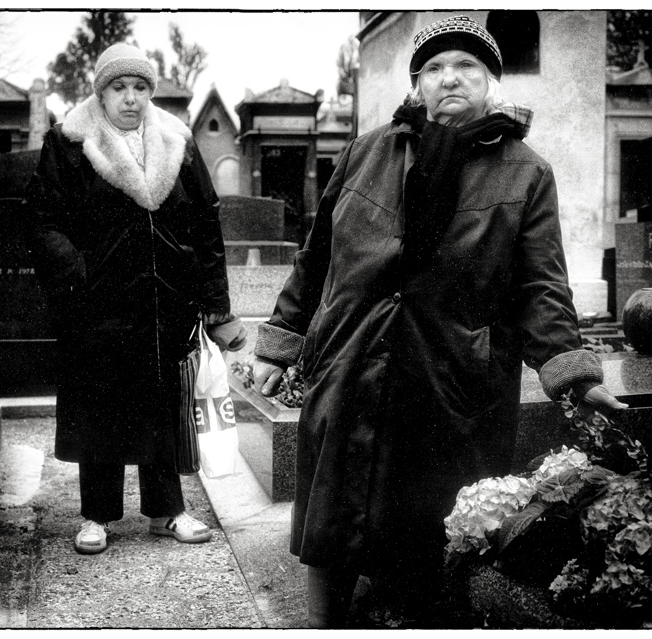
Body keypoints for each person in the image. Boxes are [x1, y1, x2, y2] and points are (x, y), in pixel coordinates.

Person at [252, 15, 628, 628]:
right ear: (417, 84)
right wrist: (279, 347)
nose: (450, 78)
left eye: (467, 67)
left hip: (453, 370)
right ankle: (324, 624)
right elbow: (316, 253)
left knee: (431, 525)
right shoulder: (367, 150)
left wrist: (571, 374)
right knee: (336, 509)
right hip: (353, 355)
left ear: (492, 82)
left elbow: (542, 284)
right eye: (434, 68)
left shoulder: (525, 171)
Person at [23, 43, 247, 555]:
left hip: (163, 301)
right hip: (96, 306)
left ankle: (168, 511)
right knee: (100, 404)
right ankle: (97, 516)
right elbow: (42, 219)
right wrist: (78, 275)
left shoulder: (177, 141)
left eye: (140, 87)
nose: (131, 98)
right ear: (100, 92)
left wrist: (215, 305)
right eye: (119, 87)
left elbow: (206, 221)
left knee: (163, 407)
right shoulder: (70, 143)